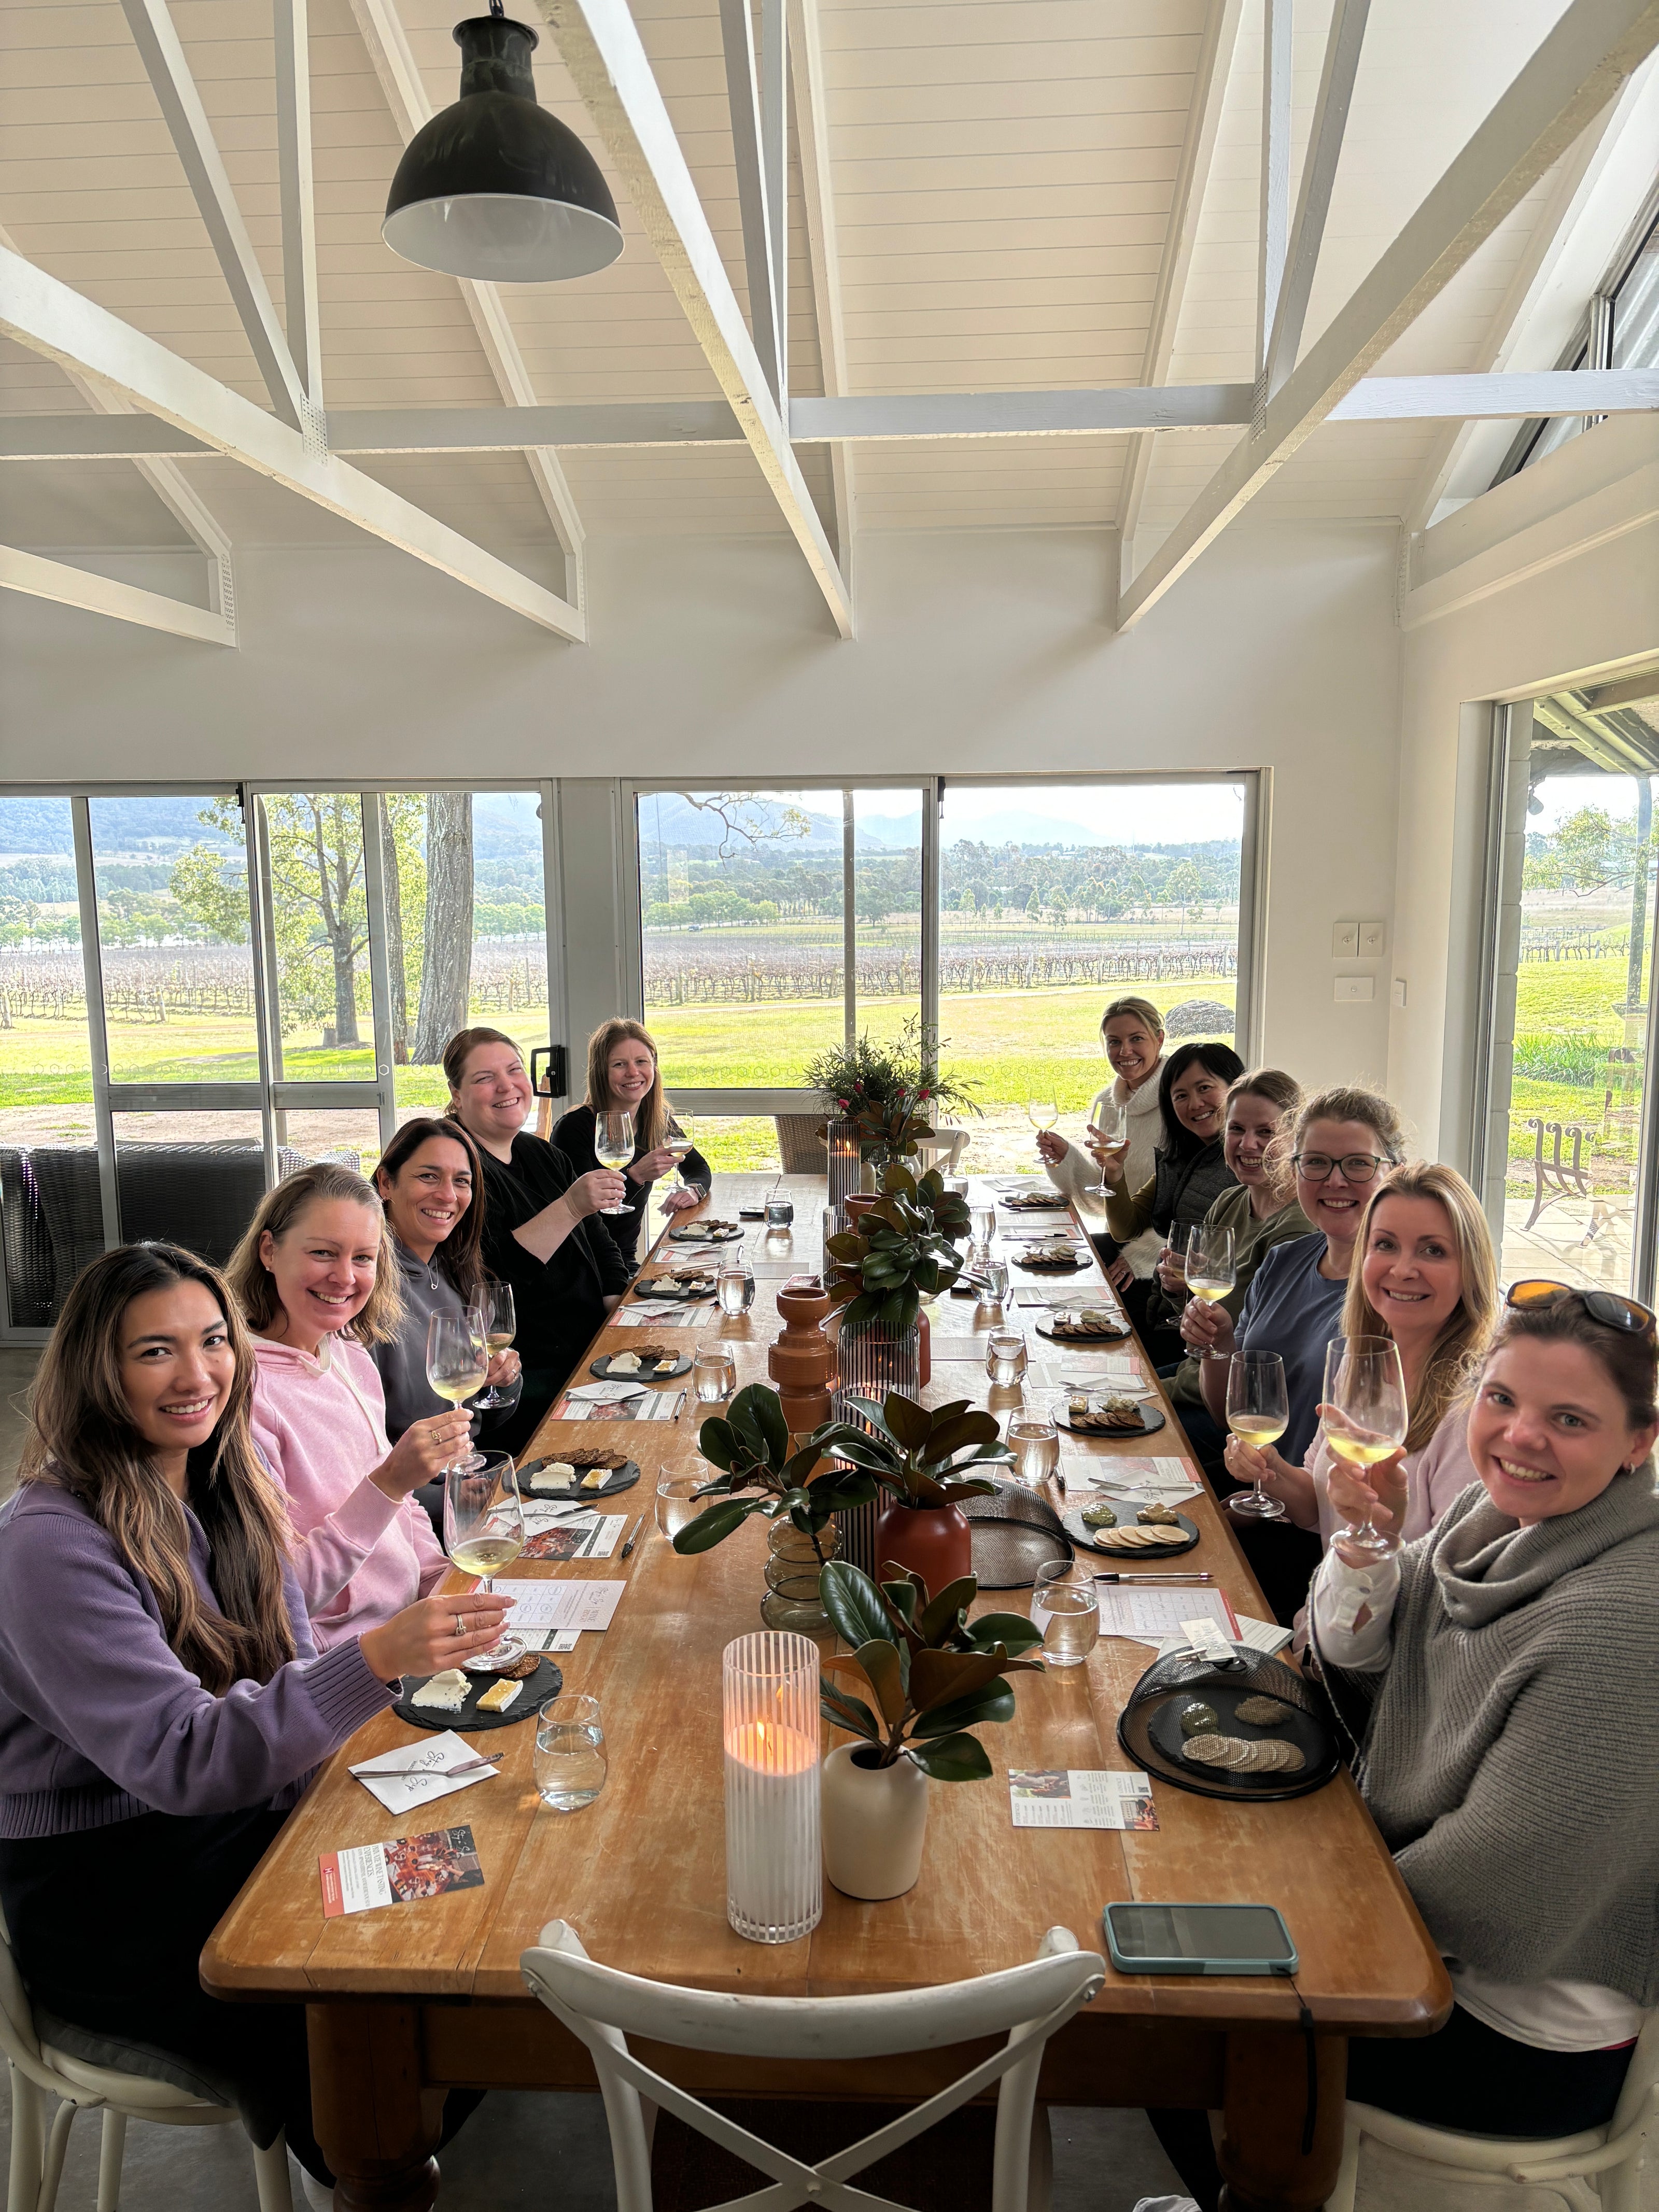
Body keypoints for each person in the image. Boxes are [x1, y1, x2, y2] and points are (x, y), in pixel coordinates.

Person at [0, 1245, 510, 2191]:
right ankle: (379, 2156)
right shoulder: (46, 1542)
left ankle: (404, 2127)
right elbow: (182, 1756)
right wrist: (380, 1659)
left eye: (211, 1341)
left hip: (237, 1826)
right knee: (387, 2002)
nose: (196, 1376)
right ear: (93, 1370)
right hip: (115, 1891)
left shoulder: (217, 1482)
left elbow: (285, 1654)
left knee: (472, 1889)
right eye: (153, 1351)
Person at [1311, 1285, 1659, 2139]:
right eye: (1502, 1399)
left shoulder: (1624, 1616)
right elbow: (1360, 1656)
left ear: (1639, 1442)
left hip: (1518, 2033)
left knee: (1191, 2034)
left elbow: (1500, 1883)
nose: (1520, 1436)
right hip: (1434, 1954)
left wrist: (1311, 1897)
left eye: (1570, 1419)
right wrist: (1368, 1541)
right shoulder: (1487, 1517)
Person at [228, 1162, 471, 1647]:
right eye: (323, 1252)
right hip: (345, 1664)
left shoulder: (350, 1355)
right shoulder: (241, 1395)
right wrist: (388, 1484)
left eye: (364, 1258)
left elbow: (401, 1509)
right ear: (270, 1250)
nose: (344, 1277)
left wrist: (438, 1579)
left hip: (411, 1629)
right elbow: (282, 1599)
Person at [1225, 1161, 1497, 1544]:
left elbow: (1448, 1594)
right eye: (1385, 1244)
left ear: (1470, 1268)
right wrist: (1271, 1469)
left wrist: (1380, 1537)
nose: (1403, 1269)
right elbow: (1317, 1509)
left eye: (1433, 1250)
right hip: (1330, 1598)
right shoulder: (1360, 1360)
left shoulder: (1473, 1412)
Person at [444, 1026, 630, 1455]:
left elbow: (600, 1241)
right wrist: (568, 1207)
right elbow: (493, 1278)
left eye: (514, 1070)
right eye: (485, 1078)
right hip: (533, 1374)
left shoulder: (542, 1153)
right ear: (456, 1093)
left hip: (592, 1350)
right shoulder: (457, 1167)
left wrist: (616, 1303)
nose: (507, 1086)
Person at [370, 1116, 524, 1533]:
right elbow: (360, 1456)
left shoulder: (449, 1269)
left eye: (462, 1181)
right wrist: (447, 1499)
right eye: (428, 1176)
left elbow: (479, 1417)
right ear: (386, 1183)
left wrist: (502, 1381)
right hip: (414, 1522)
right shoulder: (364, 1291)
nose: (448, 1195)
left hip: (467, 1488)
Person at [1158, 1070, 1311, 1422]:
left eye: (1266, 1132)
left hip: (1229, 1403)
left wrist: (1153, 1395)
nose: (1248, 1144)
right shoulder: (1229, 1201)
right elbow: (1197, 1319)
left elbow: (1256, 1354)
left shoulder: (1297, 1230)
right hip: (1194, 1371)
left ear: (1296, 1139)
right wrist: (1179, 1285)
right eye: (1237, 1129)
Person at [1094, 1040, 1245, 1360]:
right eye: (1180, 1096)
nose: (1195, 1104)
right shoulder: (1179, 1157)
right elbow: (1127, 1228)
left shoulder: (1244, 1163)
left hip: (1200, 1314)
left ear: (1236, 1088)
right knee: (1087, 1260)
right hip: (1168, 1298)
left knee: (1102, 1332)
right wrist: (1114, 1172)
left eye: (1205, 1088)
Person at [551, 1018, 711, 1267]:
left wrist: (693, 1191)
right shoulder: (574, 1128)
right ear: (600, 1071)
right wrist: (634, 1176)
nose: (633, 1073)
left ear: (654, 1067)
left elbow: (698, 1169)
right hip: (585, 1269)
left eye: (641, 1062)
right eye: (619, 1064)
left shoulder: (656, 1120)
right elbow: (586, 1228)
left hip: (624, 1262)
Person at [1036, 995, 1166, 1290]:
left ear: (1159, 1039)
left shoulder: (1180, 1103)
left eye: (1136, 1039)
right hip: (1119, 1240)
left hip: (1162, 1262)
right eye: (1114, 1042)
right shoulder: (1106, 1103)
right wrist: (1067, 1158)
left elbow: (1196, 1205)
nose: (1125, 1051)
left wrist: (1146, 1253)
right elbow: (1102, 1202)